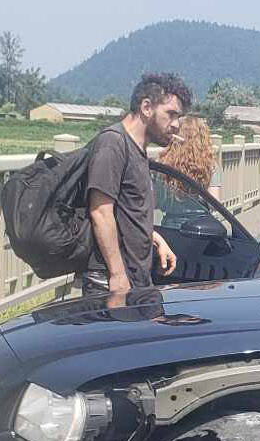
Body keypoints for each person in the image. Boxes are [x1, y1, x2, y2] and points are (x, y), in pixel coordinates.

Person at [77, 72, 192, 300]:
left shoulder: (138, 150)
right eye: (171, 114)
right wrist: (117, 275)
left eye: (179, 117)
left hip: (135, 277)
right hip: (110, 282)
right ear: (146, 107)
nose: (176, 124)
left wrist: (156, 239)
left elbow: (128, 211)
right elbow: (101, 212)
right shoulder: (113, 144)